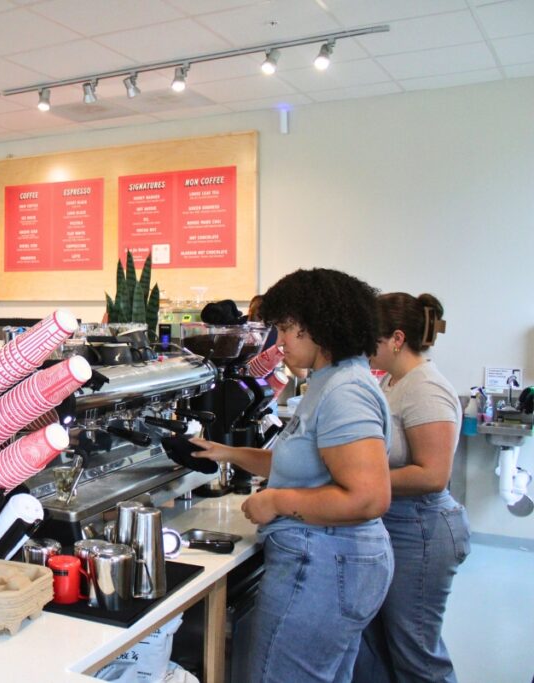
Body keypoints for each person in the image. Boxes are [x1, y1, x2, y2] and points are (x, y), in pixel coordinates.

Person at [191, 268, 393, 683]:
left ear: (319, 326)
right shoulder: (329, 381)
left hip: (326, 565)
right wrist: (225, 452)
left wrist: (277, 502)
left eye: (286, 329)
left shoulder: (345, 392)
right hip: (335, 562)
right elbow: (300, 461)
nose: (279, 342)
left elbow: (368, 498)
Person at [353, 293, 470, 683]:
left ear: (397, 339)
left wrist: (362, 481)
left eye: (371, 338)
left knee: (416, 653)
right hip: (396, 525)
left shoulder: (426, 388)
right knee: (382, 647)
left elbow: (432, 475)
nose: (364, 348)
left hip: (422, 528)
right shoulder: (391, 381)